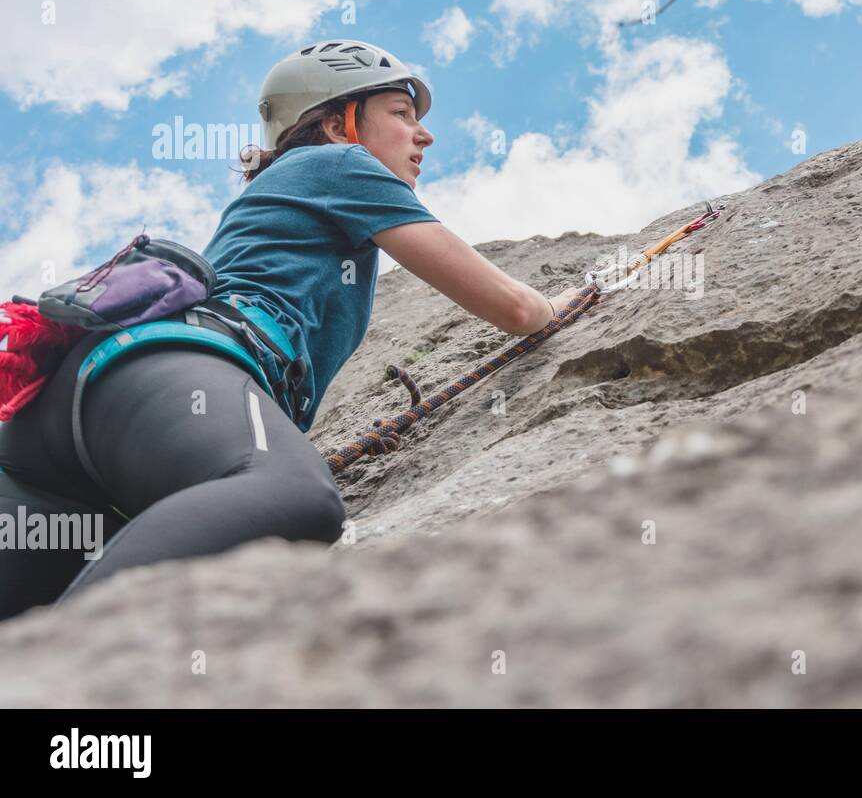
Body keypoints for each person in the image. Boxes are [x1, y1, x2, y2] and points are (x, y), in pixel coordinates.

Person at [0, 39, 580, 620]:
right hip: (162, 375)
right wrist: (566, 302)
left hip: (59, 425)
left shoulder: (285, 194)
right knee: (294, 496)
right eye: (401, 114)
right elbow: (517, 310)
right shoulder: (341, 163)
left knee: (36, 603)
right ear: (337, 124)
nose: (423, 135)